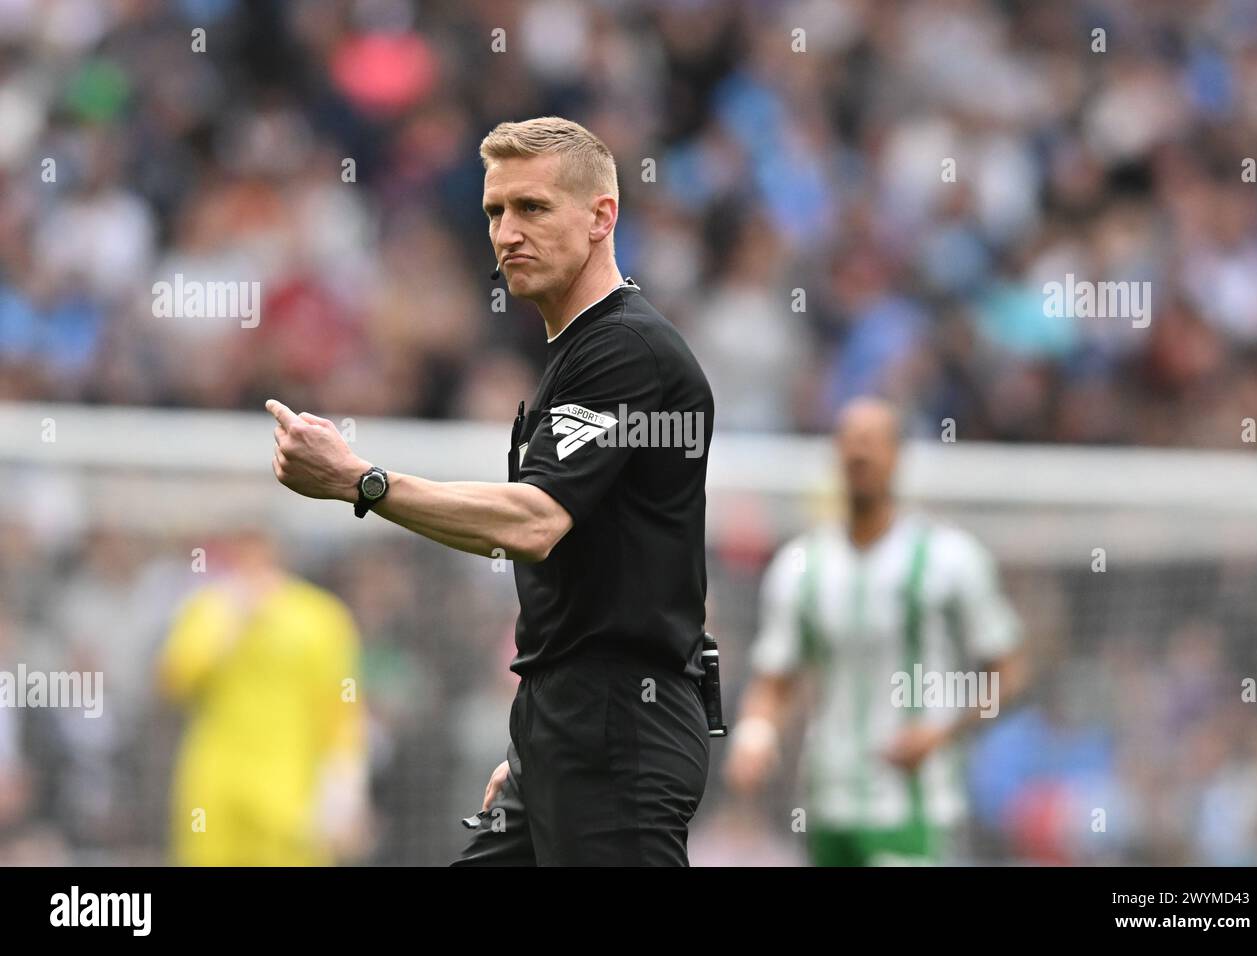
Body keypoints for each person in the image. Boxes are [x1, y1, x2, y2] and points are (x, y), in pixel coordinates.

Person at [264, 116, 715, 866]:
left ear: (602, 216)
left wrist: (361, 482)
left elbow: (536, 522)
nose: (507, 232)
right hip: (569, 726)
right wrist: (539, 740)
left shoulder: (626, 350)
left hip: (618, 726)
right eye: (494, 212)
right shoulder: (579, 355)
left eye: (532, 208)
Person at [725, 398, 1028, 865]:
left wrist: (943, 734)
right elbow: (775, 678)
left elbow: (1008, 674)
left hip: (912, 804)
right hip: (827, 803)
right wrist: (755, 736)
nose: (859, 452)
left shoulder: (950, 559)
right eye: (849, 440)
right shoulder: (801, 567)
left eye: (873, 441)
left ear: (898, 456)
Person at [157, 527, 369, 865]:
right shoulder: (209, 609)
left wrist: (344, 789)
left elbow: (341, 710)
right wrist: (227, 626)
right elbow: (175, 682)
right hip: (214, 791)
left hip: (290, 793)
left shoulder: (319, 617)